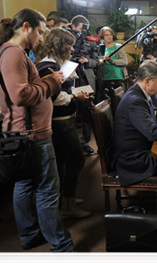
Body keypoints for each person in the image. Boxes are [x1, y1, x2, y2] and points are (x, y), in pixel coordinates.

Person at [0, 8, 94, 263]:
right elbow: (21, 96)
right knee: (48, 191)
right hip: (32, 133)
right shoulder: (13, 53)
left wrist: (46, 83)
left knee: (24, 184)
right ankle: (62, 250)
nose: (41, 37)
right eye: (40, 31)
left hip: (25, 131)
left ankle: (30, 234)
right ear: (26, 27)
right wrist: (52, 82)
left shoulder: (9, 51)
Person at [36, 28, 91, 219]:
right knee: (77, 159)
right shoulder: (47, 66)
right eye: (68, 45)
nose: (72, 49)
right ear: (58, 45)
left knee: (63, 161)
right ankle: (67, 204)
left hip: (63, 120)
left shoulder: (55, 63)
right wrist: (73, 96)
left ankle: (65, 199)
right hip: (60, 121)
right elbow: (53, 97)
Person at [69, 15, 99, 155]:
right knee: (72, 111)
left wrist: (87, 60)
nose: (84, 31)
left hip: (87, 77)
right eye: (81, 28)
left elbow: (97, 60)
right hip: (71, 77)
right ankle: (72, 144)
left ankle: (85, 141)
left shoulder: (91, 40)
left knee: (87, 111)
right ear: (73, 27)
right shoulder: (67, 39)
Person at [98, 26, 131, 91]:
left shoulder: (118, 46)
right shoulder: (100, 48)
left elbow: (125, 61)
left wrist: (111, 60)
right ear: (102, 37)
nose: (109, 37)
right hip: (105, 79)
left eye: (111, 35)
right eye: (106, 35)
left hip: (118, 78)